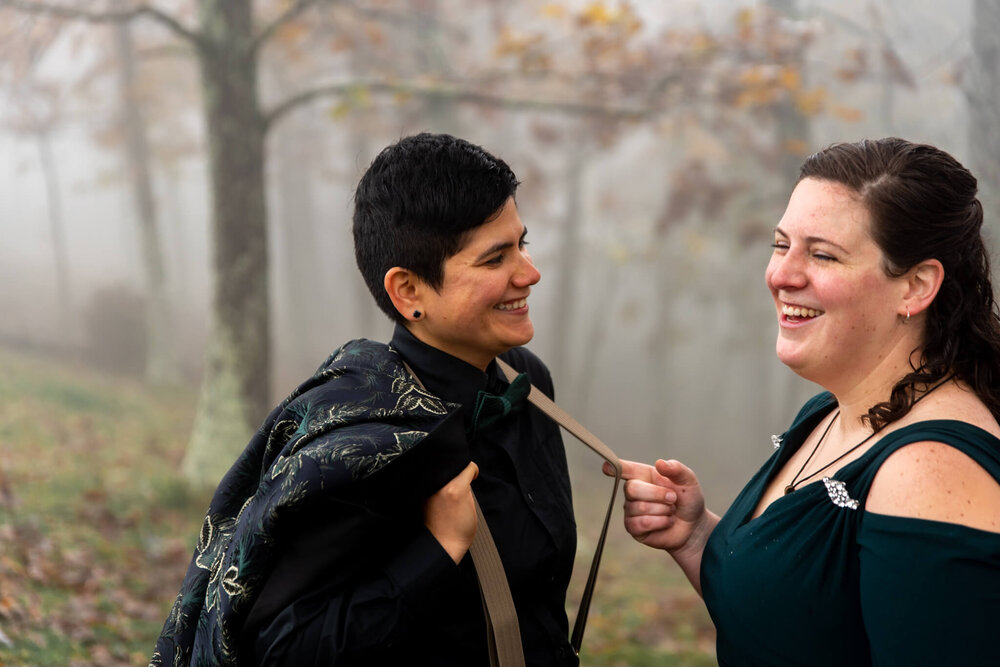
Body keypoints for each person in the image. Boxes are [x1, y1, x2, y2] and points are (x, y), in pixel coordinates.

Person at [150, 133, 578, 666]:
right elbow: (280, 650)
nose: (530, 273)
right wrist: (437, 551)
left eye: (522, 242)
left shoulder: (527, 383)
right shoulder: (365, 443)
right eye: (495, 259)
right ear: (408, 292)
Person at [610, 137, 1000, 666]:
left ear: (916, 285)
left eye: (822, 254)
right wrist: (696, 538)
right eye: (780, 245)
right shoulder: (826, 413)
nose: (782, 275)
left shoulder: (930, 471)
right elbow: (803, 626)